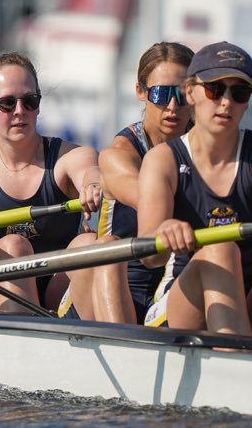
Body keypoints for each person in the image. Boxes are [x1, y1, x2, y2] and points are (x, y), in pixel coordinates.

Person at [139, 41, 252, 336]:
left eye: (239, 93)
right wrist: (165, 230)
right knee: (219, 250)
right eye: (215, 89)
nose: (226, 102)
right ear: (191, 92)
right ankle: (239, 359)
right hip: (182, 304)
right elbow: (150, 255)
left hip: (250, 301)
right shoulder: (163, 160)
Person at [0, 52, 103, 314]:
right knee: (14, 246)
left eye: (29, 101)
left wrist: (93, 185)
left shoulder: (69, 155)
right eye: (6, 103)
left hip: (54, 283)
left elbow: (89, 170)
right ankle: (28, 345)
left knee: (91, 243)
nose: (20, 111)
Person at [68, 42, 195, 324]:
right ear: (141, 92)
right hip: (117, 286)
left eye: (183, 93)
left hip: (175, 283)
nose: (173, 106)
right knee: (104, 245)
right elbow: (154, 203)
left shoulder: (204, 146)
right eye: (161, 94)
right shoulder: (119, 155)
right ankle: (125, 352)